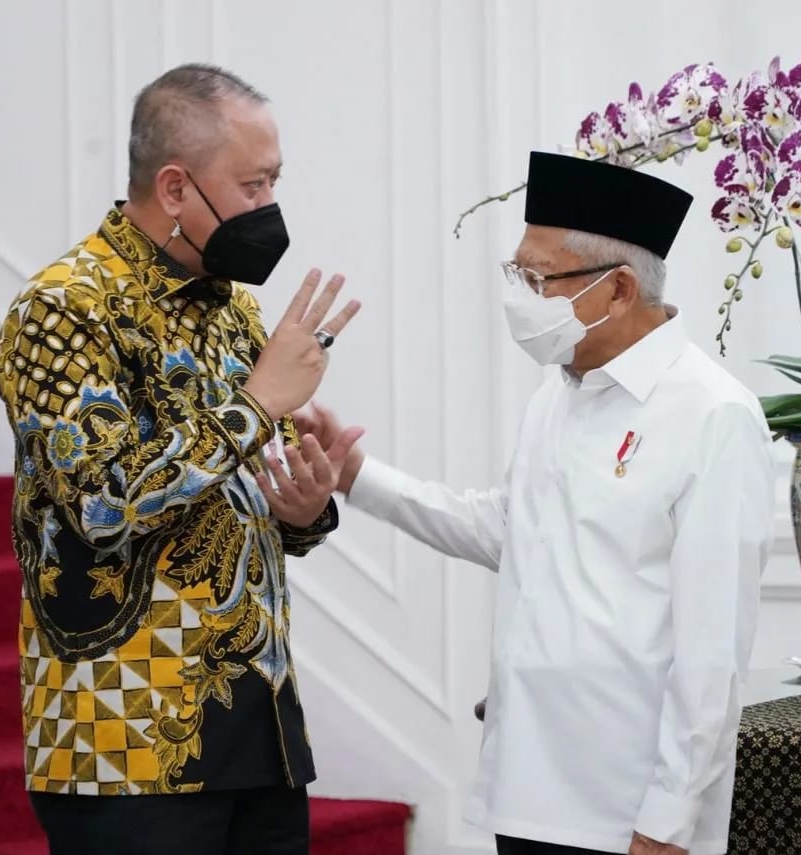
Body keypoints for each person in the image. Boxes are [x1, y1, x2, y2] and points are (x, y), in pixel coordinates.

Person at [298, 152, 776, 855]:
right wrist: (356, 475)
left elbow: (712, 651)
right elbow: (507, 529)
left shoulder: (713, 413)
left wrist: (669, 820)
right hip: (527, 788)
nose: (521, 296)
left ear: (618, 290)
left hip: (628, 808)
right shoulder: (560, 393)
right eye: (516, 274)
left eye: (538, 278)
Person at [0, 63, 362, 855]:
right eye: (253, 185)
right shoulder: (63, 308)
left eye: (274, 181)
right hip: (125, 740)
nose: (269, 206)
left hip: (257, 726)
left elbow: (234, 507)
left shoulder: (234, 310)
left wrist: (304, 506)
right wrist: (255, 404)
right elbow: (101, 503)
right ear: (174, 188)